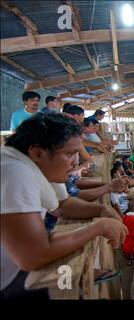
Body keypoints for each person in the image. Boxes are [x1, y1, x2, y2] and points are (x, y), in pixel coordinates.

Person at [1, 113, 127, 299]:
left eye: (77, 152)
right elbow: (33, 256)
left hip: (14, 268)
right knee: (68, 286)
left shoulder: (41, 165)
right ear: (37, 152)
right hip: (9, 281)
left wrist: (102, 209)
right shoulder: (15, 172)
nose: (76, 161)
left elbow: (63, 204)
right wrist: (99, 226)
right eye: (69, 153)